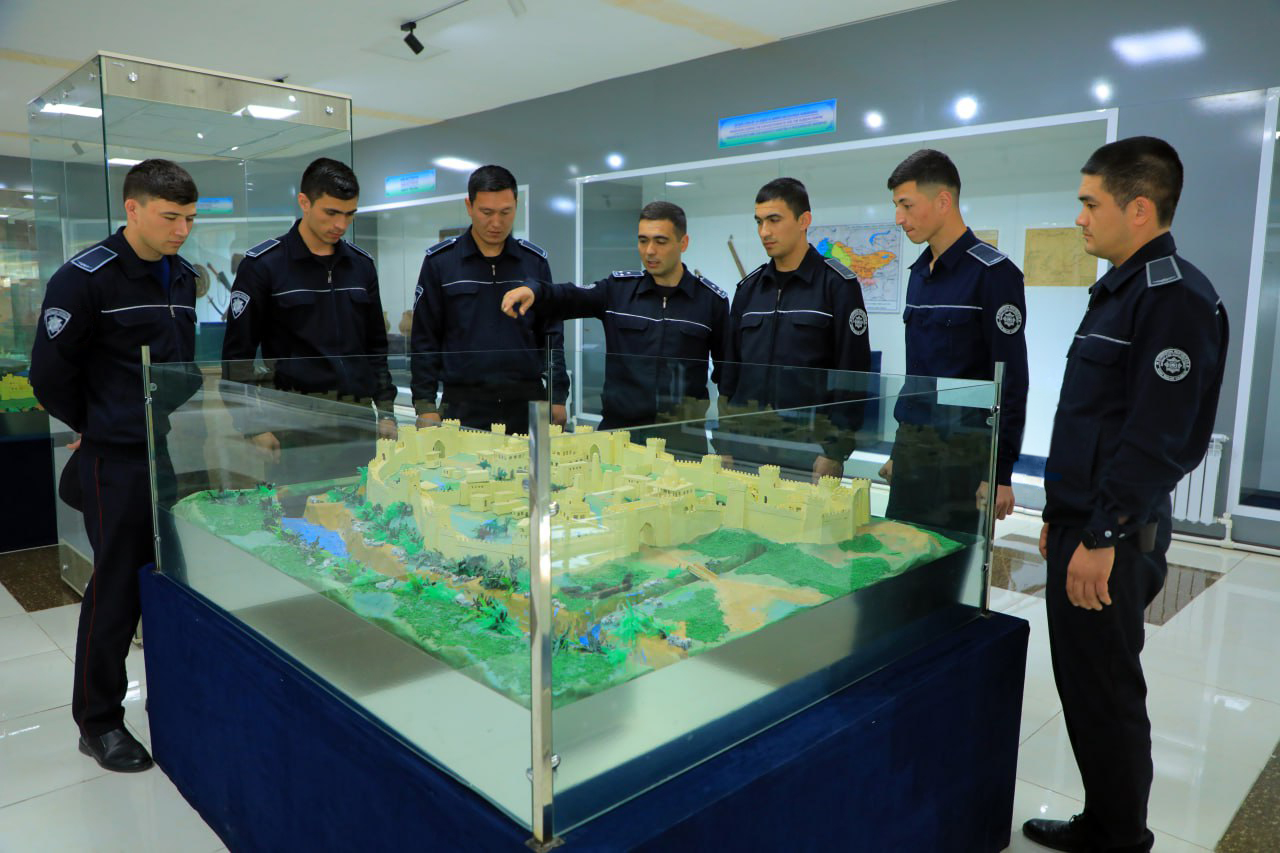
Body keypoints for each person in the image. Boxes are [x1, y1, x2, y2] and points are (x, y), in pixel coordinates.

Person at [1024, 137, 1228, 853]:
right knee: (1086, 686)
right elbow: (1091, 420)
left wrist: (1102, 533)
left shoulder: (1174, 298)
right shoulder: (1120, 289)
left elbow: (1158, 438)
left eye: (1090, 203)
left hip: (1112, 534)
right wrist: (1060, 517)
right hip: (1083, 522)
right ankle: (1104, 821)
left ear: (1138, 209)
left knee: (1107, 690)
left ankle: (1119, 837)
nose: (1079, 218)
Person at [30, 159, 202, 773]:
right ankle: (98, 721)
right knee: (116, 592)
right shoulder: (86, 279)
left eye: (189, 218)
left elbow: (180, 367)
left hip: (162, 449)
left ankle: (172, 700)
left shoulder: (183, 276)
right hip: (113, 459)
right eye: (170, 217)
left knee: (169, 579)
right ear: (133, 208)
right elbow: (48, 376)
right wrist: (96, 425)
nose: (182, 230)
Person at [220, 158, 396, 502]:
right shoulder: (264, 266)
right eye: (331, 212)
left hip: (358, 422)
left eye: (349, 214)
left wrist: (386, 410)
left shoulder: (361, 266)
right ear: (304, 202)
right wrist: (252, 426)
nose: (340, 224)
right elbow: (237, 357)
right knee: (296, 520)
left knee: (364, 519)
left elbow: (376, 346)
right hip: (295, 424)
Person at [880, 149, 1029, 536]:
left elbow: (1011, 381)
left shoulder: (993, 275)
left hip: (964, 456)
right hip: (914, 450)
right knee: (900, 554)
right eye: (897, 207)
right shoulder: (919, 274)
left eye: (907, 205)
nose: (899, 219)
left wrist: (999, 473)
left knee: (954, 564)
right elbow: (917, 377)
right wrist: (899, 449)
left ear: (943, 201)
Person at [500, 201, 727, 452]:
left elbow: (727, 376)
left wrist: (726, 443)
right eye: (643, 240)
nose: (649, 251)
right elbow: (569, 295)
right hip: (620, 434)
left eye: (660, 241)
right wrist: (535, 290)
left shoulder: (710, 302)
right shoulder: (618, 291)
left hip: (681, 438)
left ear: (683, 243)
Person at [719, 177, 871, 479]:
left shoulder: (837, 285)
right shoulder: (749, 290)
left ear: (804, 221)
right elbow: (729, 375)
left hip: (807, 450)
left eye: (774, 220)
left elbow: (853, 373)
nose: (764, 232)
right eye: (759, 222)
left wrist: (835, 451)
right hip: (746, 447)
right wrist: (725, 441)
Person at [410, 165, 568, 435]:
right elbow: (425, 339)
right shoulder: (441, 263)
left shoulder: (534, 262)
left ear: (516, 205)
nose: (496, 223)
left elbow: (552, 334)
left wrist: (557, 394)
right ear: (469, 206)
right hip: (463, 403)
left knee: (534, 464)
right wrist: (425, 404)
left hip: (527, 400)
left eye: (506, 212)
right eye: (487, 212)